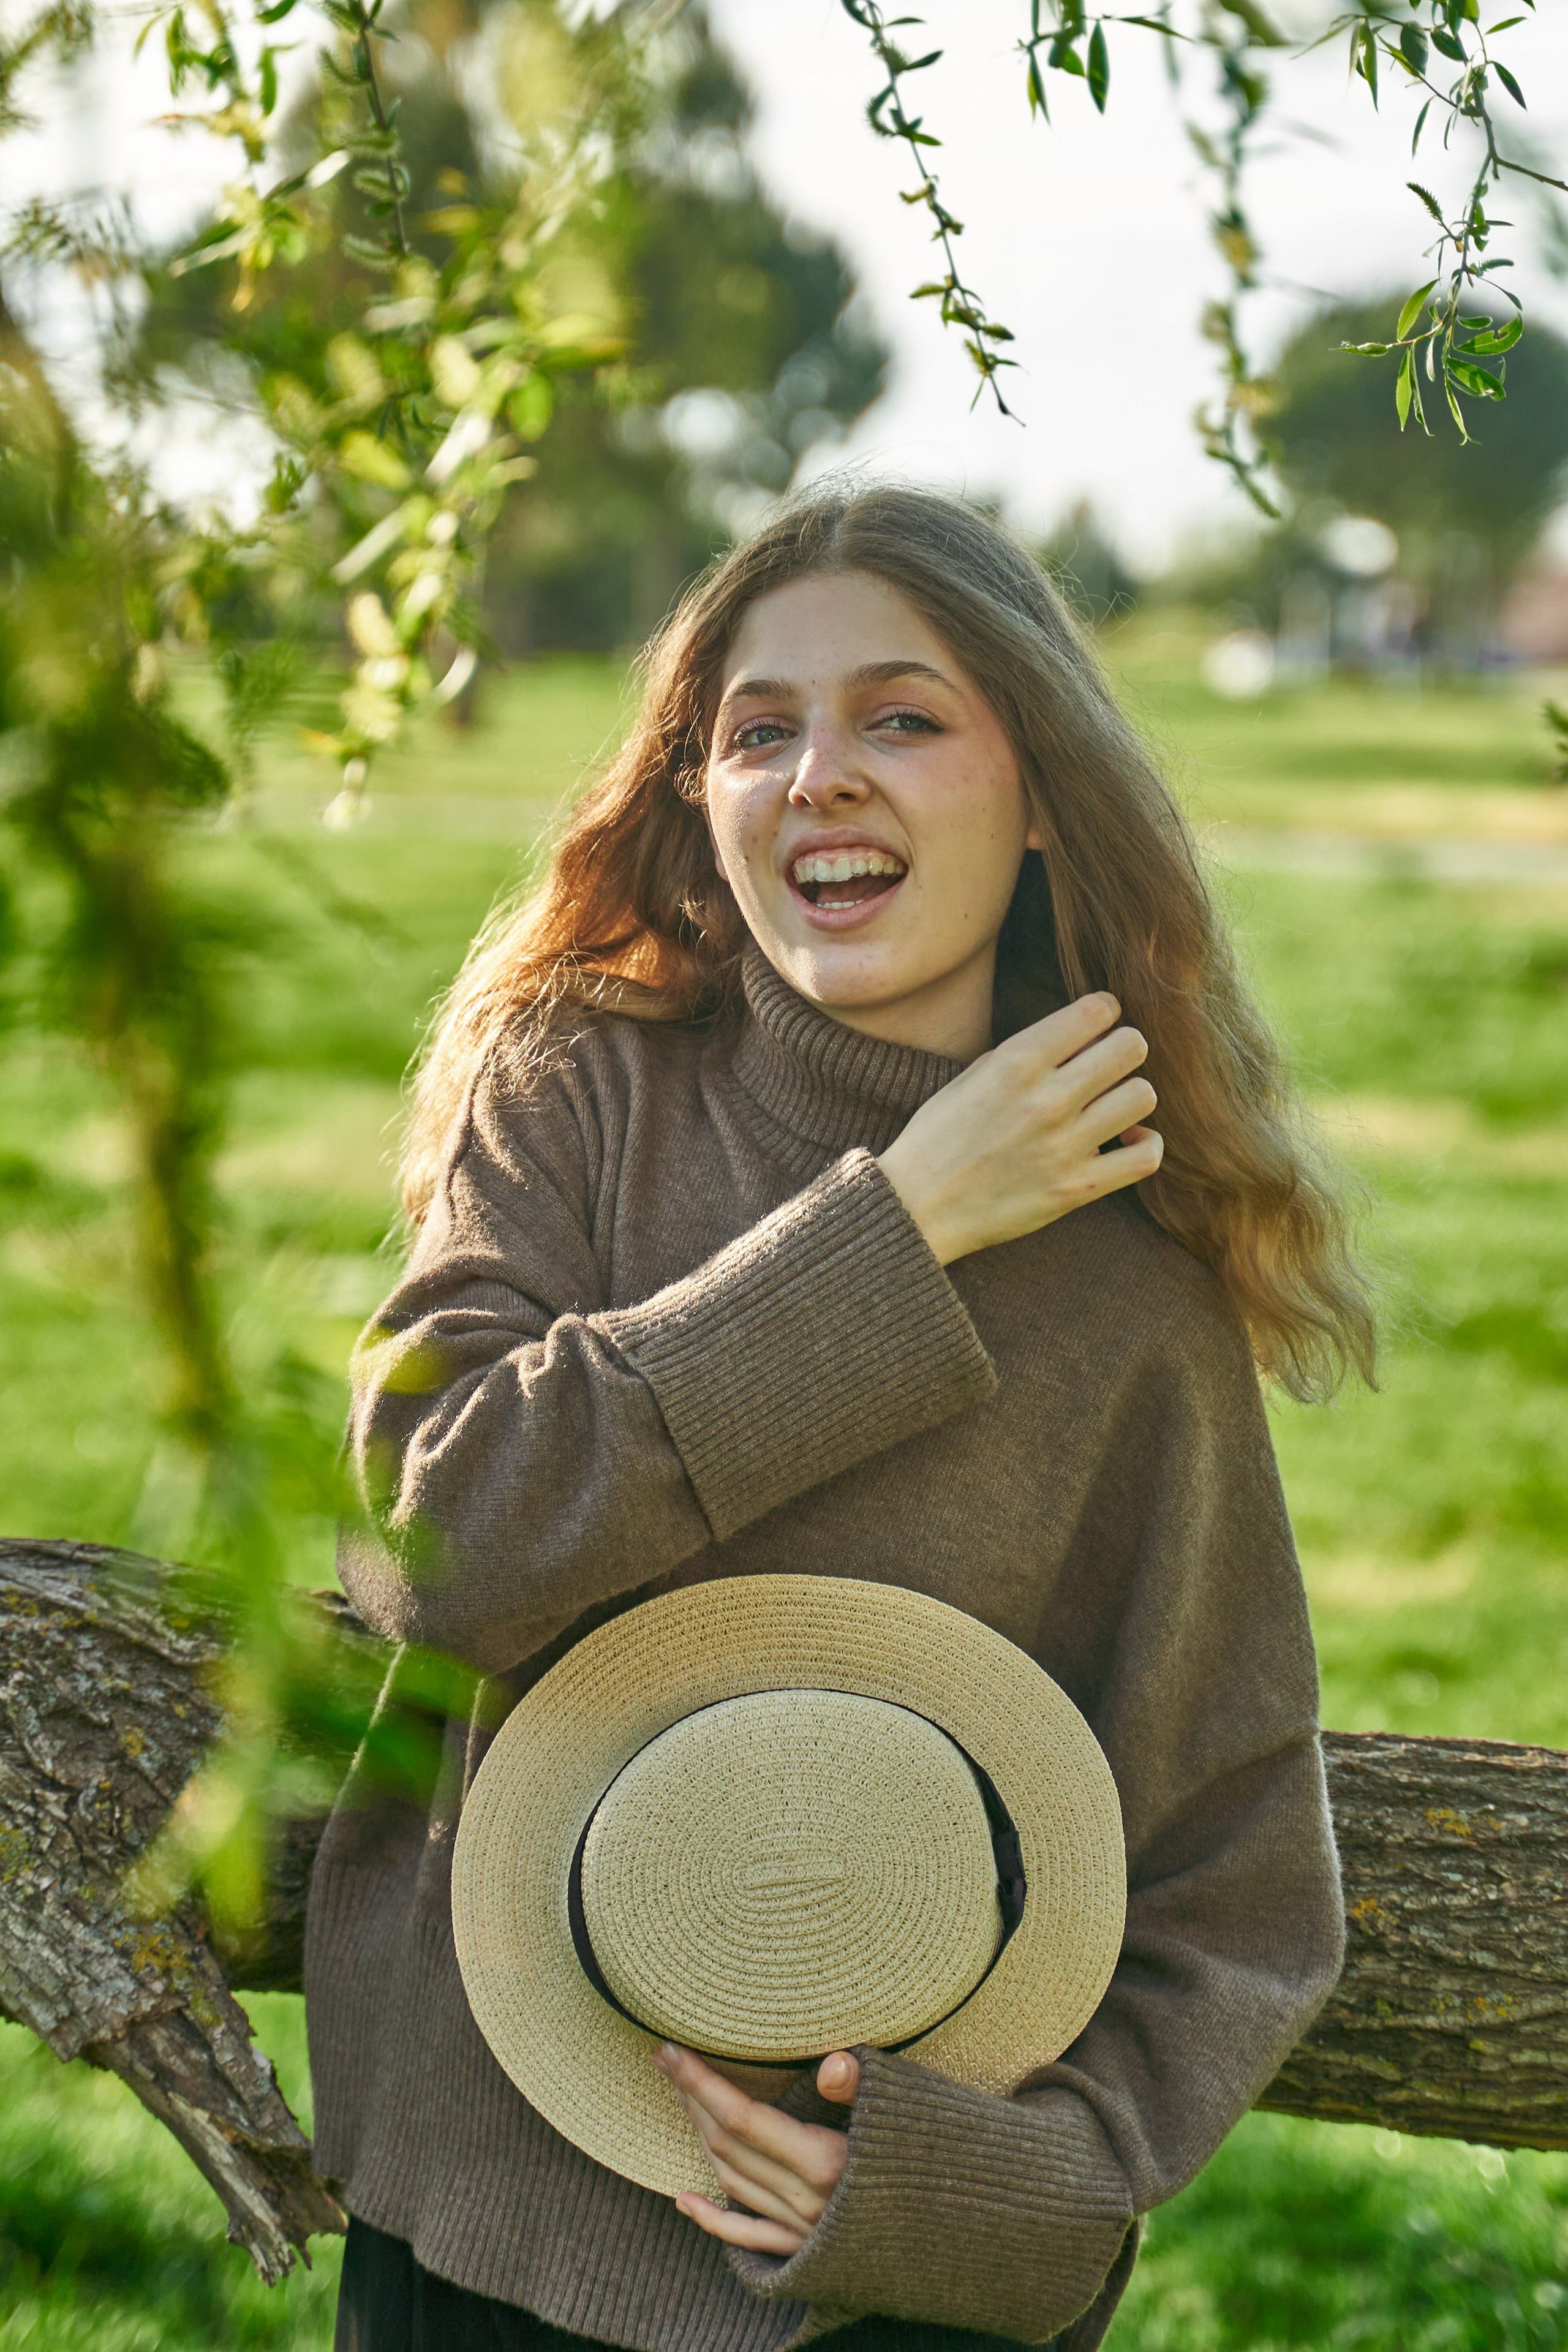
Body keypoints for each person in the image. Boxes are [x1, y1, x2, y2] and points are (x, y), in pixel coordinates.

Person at [308, 480, 1373, 2352]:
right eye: (759, 731)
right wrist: (900, 1234)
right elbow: (428, 1539)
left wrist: (979, 2201)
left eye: (904, 717)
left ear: (1039, 793)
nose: (821, 777)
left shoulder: (1137, 1286)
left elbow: (1239, 1875)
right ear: (698, 809)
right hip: (487, 2236)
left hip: (895, 2299)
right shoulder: (575, 1090)